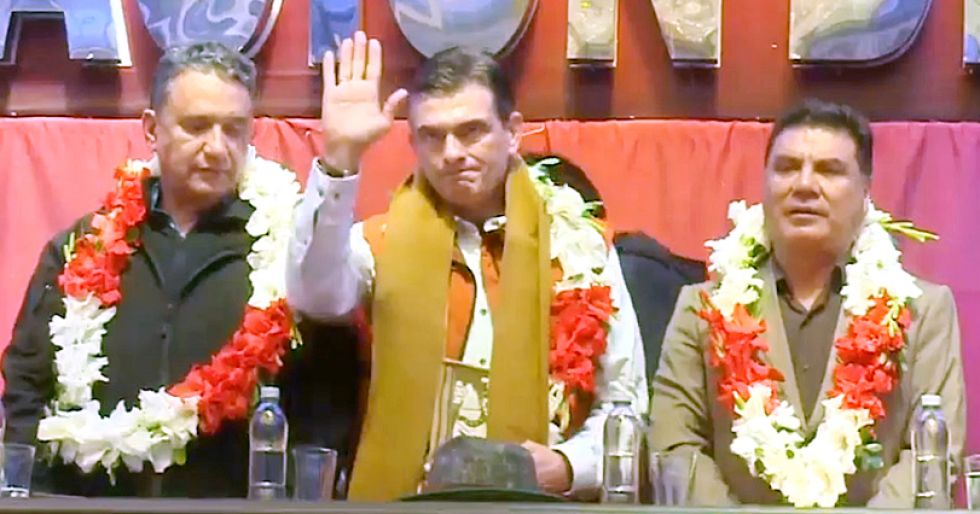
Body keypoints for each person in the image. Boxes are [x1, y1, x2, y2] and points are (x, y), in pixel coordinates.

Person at [287, 31, 648, 501]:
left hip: (540, 504)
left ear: (512, 132)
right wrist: (340, 157)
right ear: (413, 143)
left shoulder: (580, 248)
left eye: (471, 131)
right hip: (407, 502)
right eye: (432, 136)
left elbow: (626, 405)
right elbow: (315, 295)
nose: (452, 153)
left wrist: (566, 466)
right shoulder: (380, 242)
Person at [2, 42, 361, 497]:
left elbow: (329, 397)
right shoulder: (83, 249)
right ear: (152, 129)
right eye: (197, 126)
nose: (217, 147)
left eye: (234, 129)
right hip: (88, 502)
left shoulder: (296, 253)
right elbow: (28, 387)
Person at [649, 99, 965, 507]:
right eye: (786, 167)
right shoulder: (703, 310)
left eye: (829, 170)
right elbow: (674, 447)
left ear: (865, 193)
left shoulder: (924, 312)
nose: (804, 185)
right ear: (764, 184)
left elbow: (932, 456)